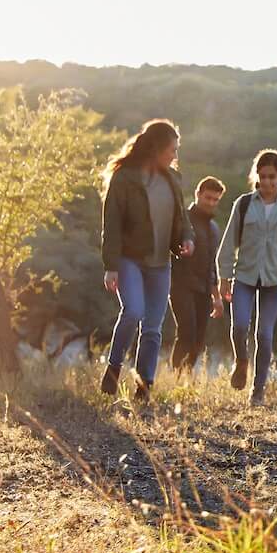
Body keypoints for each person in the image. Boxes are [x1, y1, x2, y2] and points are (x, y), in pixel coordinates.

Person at [98, 119, 196, 402]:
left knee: (153, 326)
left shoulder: (173, 179)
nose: (175, 155)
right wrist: (110, 266)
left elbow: (182, 219)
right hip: (130, 259)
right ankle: (114, 369)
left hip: (161, 262)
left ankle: (144, 386)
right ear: (155, 148)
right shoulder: (125, 178)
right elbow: (112, 224)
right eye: (171, 149)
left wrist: (187, 239)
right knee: (133, 312)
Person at [216, 149, 277, 406]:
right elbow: (227, 245)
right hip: (244, 277)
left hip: (272, 281)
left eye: (272, 177)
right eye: (263, 176)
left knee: (264, 335)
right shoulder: (244, 204)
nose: (267, 182)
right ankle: (241, 360)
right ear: (256, 176)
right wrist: (224, 277)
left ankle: (258, 389)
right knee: (239, 327)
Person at [169, 176, 226, 374]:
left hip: (203, 289)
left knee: (199, 339)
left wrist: (217, 298)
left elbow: (213, 265)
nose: (211, 203)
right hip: (180, 285)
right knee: (187, 333)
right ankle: (176, 376)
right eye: (207, 198)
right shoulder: (183, 219)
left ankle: (185, 377)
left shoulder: (214, 228)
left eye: (215, 200)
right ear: (198, 195)